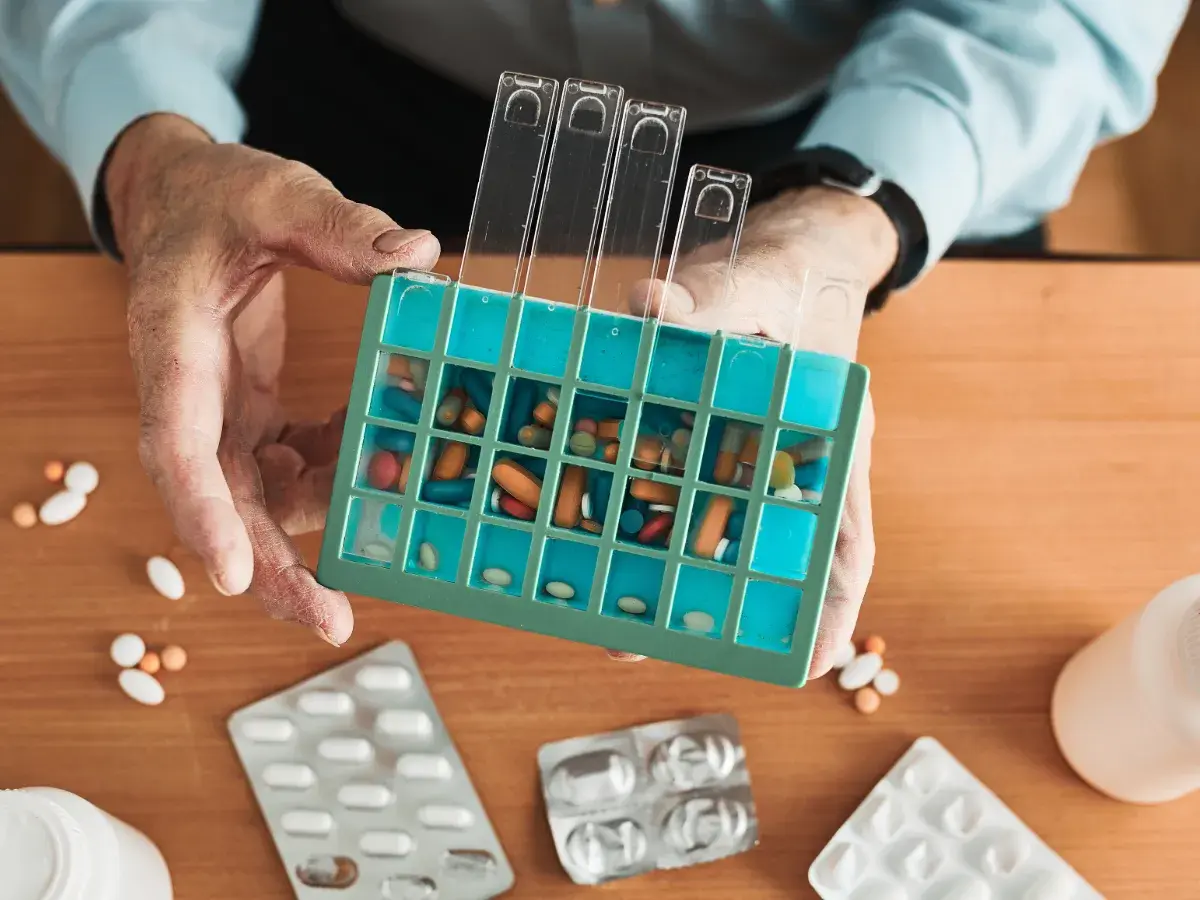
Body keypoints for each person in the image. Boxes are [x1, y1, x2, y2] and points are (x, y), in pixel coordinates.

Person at [0, 1, 1186, 673]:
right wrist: (154, 145)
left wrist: (853, 217)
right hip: (342, 91)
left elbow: (1063, 21)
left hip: (863, 124)